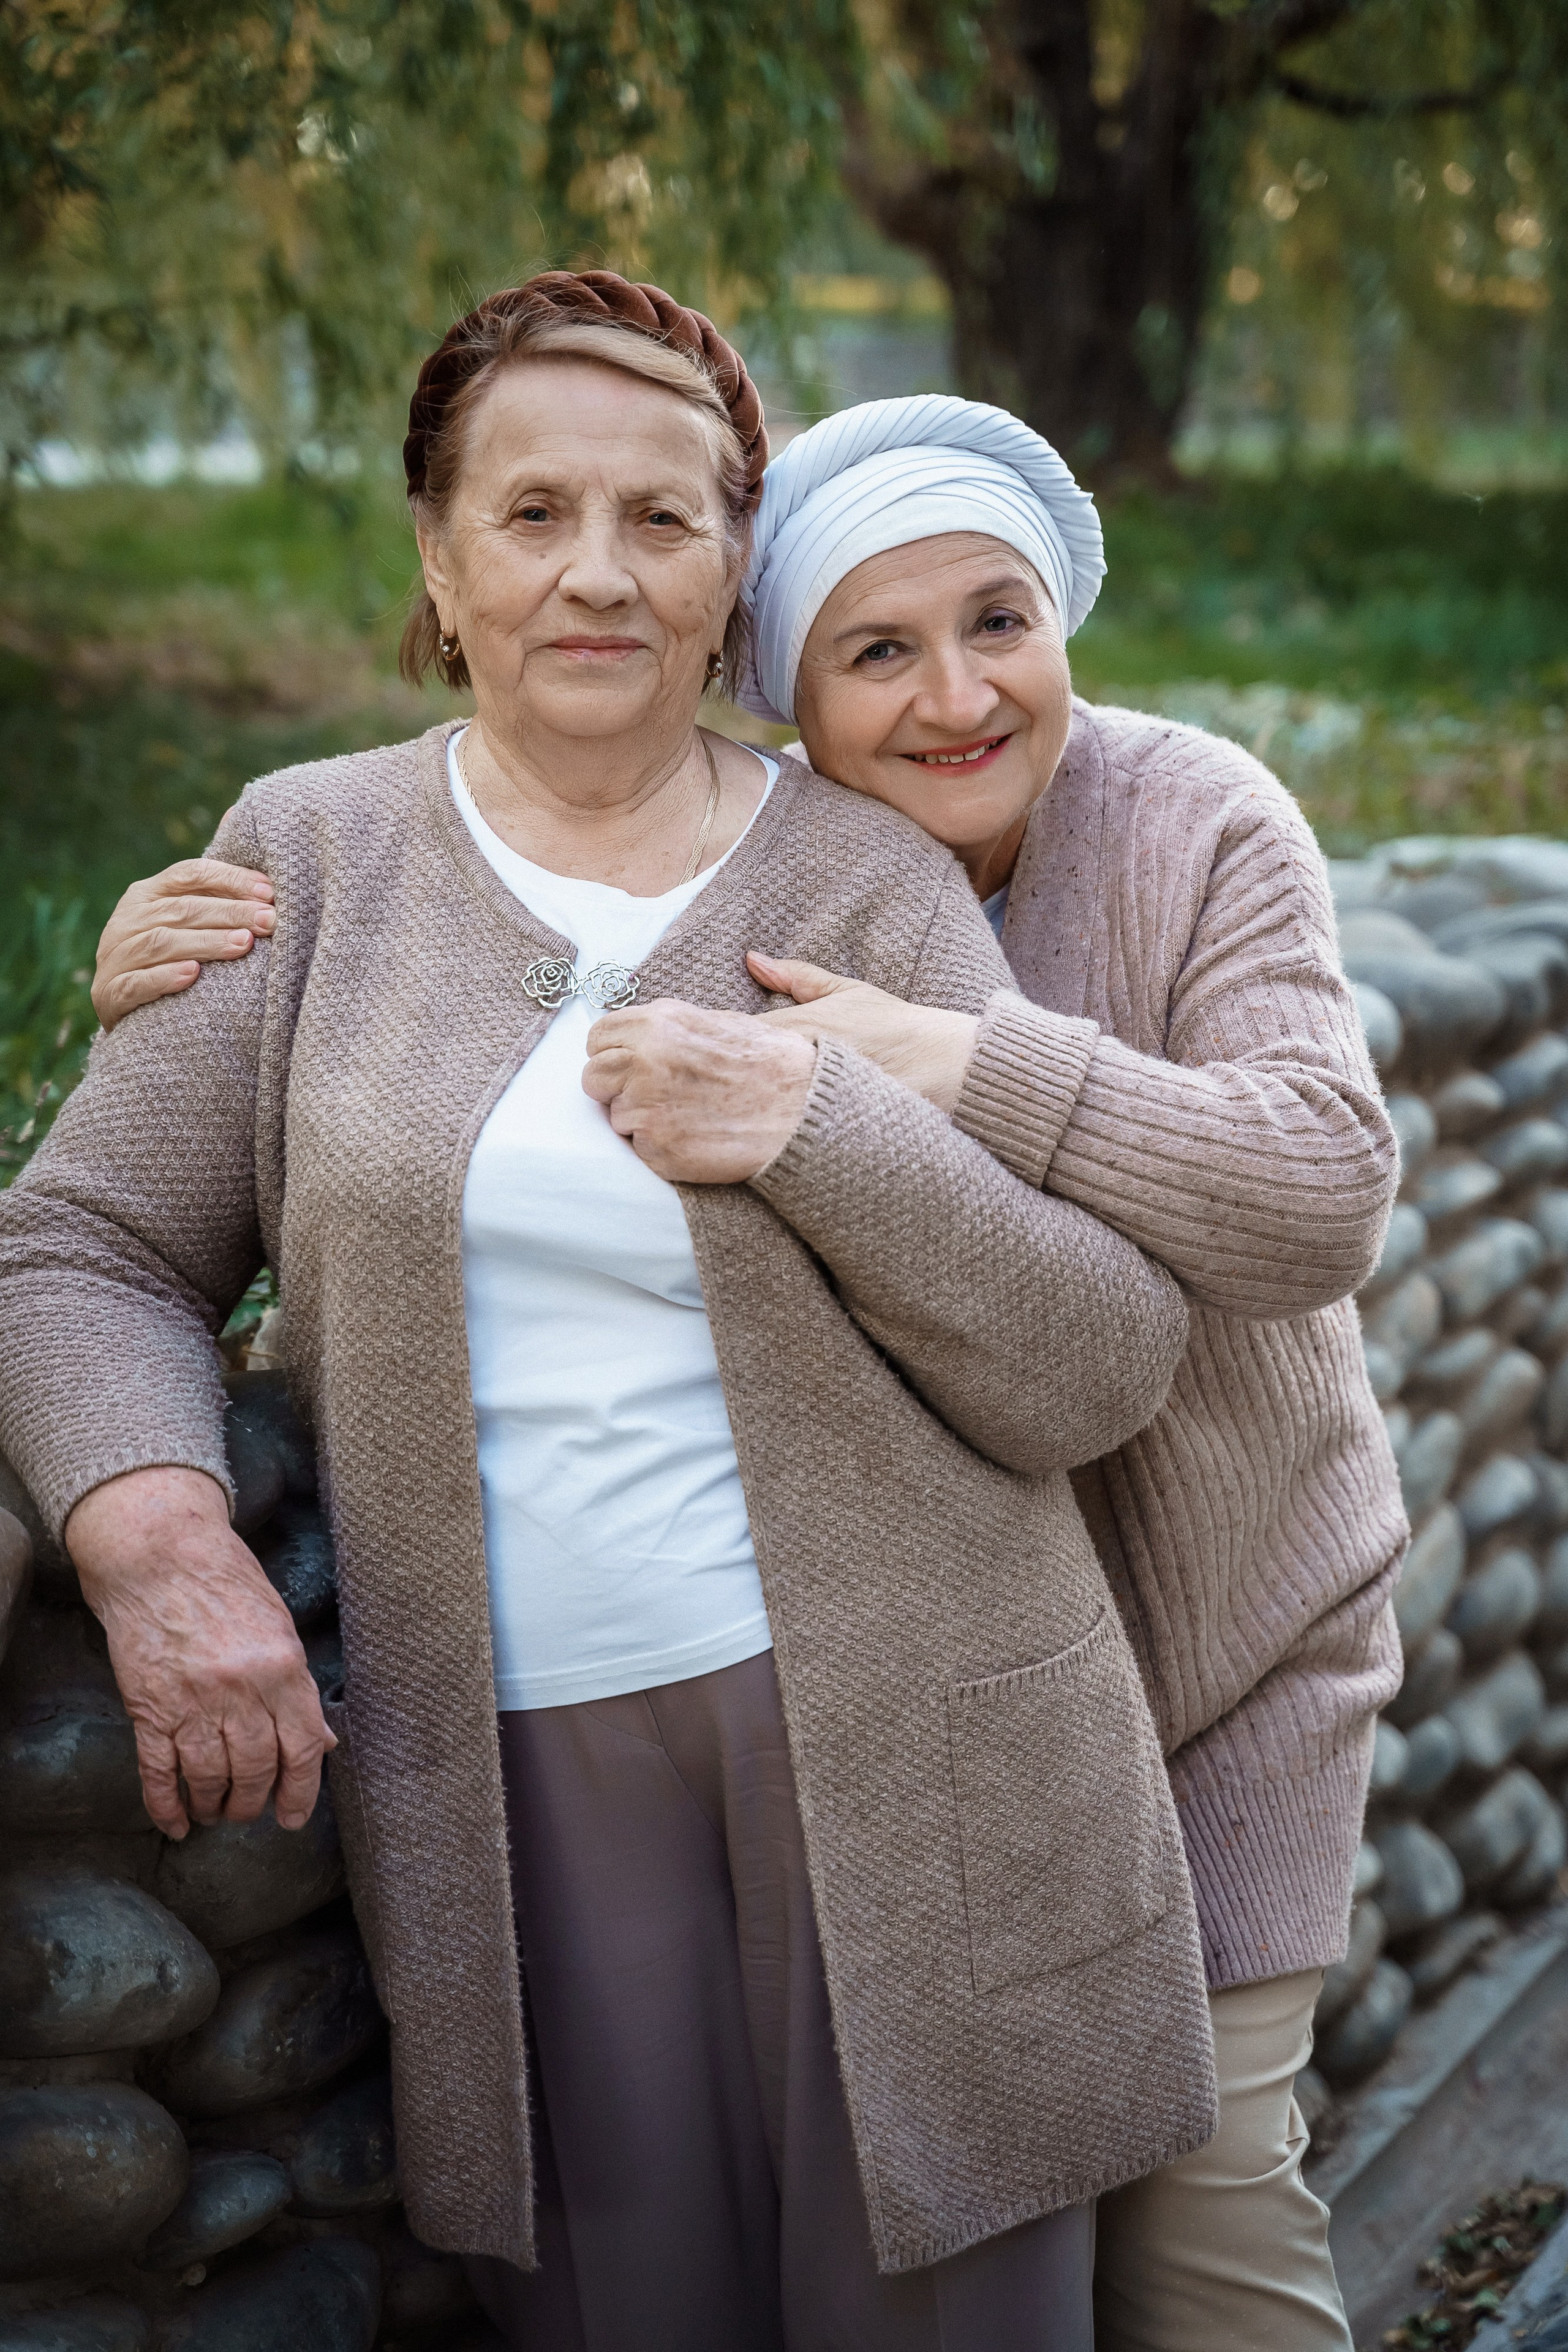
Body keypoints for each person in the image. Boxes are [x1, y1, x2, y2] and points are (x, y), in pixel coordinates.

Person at [100, 386, 1410, 2352]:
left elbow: (1309, 1197)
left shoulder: (1180, 817)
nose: (958, 694)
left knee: (1199, 2241)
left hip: (1213, 1643)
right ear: (777, 670)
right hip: (927, 1658)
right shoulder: (750, 856)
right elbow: (110, 1220)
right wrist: (181, 997)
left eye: (1003, 623)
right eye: (877, 650)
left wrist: (930, 1068)